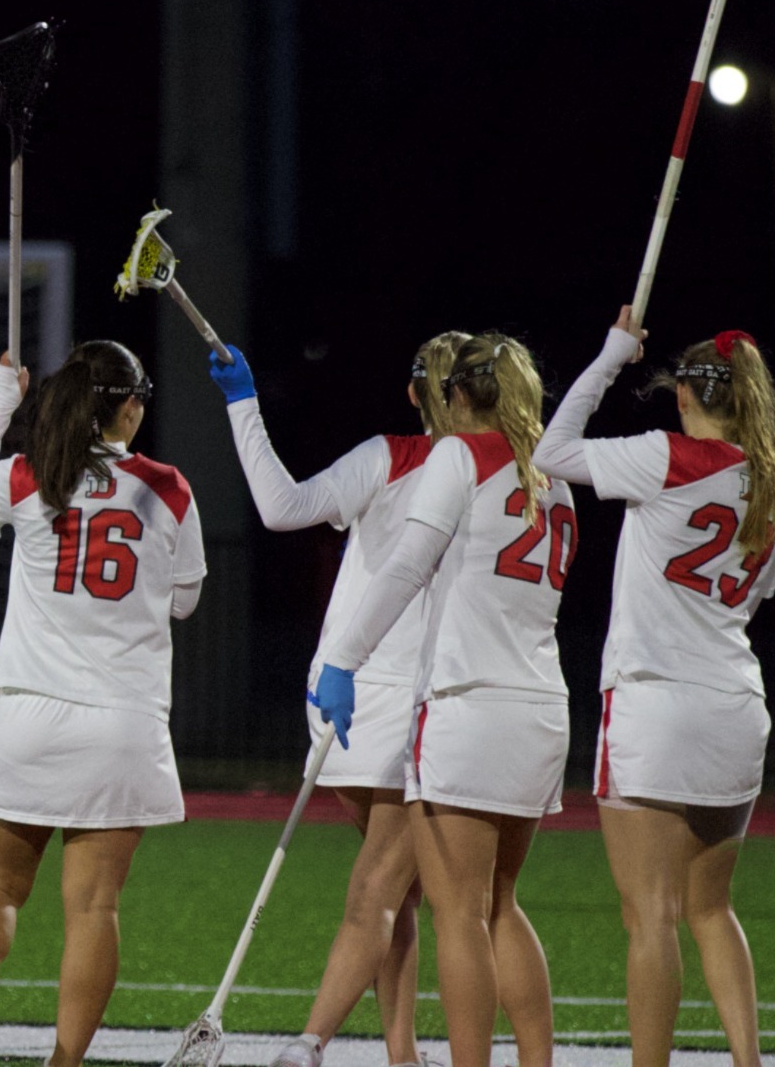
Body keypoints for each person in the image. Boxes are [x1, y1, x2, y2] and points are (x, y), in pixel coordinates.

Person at [535, 308, 775, 1067]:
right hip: (733, 703)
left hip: (656, 702)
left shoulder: (670, 456)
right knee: (711, 906)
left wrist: (608, 358)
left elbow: (551, 451)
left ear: (688, 393)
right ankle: (748, 1061)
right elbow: (748, 603)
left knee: (651, 915)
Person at [0, 341, 206, 1067]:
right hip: (122, 722)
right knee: (93, 906)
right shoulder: (167, 485)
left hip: (29, 713)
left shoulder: (31, 474)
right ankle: (66, 1060)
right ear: (131, 404)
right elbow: (184, 601)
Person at [206, 333, 469, 1067]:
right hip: (410, 699)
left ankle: (402, 1052)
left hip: (335, 692)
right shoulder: (497, 474)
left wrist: (243, 405)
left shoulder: (390, 455)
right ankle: (309, 1042)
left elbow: (281, 506)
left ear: (416, 393)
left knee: (398, 890)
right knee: (387, 884)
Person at [315, 333, 573, 1067]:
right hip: (541, 705)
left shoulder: (458, 456)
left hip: (468, 701)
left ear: (457, 396)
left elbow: (403, 570)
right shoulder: (555, 477)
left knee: (459, 912)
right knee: (501, 902)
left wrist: (342, 660)